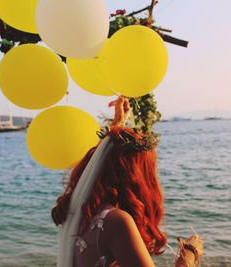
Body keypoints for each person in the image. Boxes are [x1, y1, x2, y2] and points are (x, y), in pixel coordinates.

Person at [51, 96, 203, 267]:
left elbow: (106, 158)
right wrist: (189, 254)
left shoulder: (78, 208)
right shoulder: (116, 222)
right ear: (138, 176)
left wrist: (116, 129)